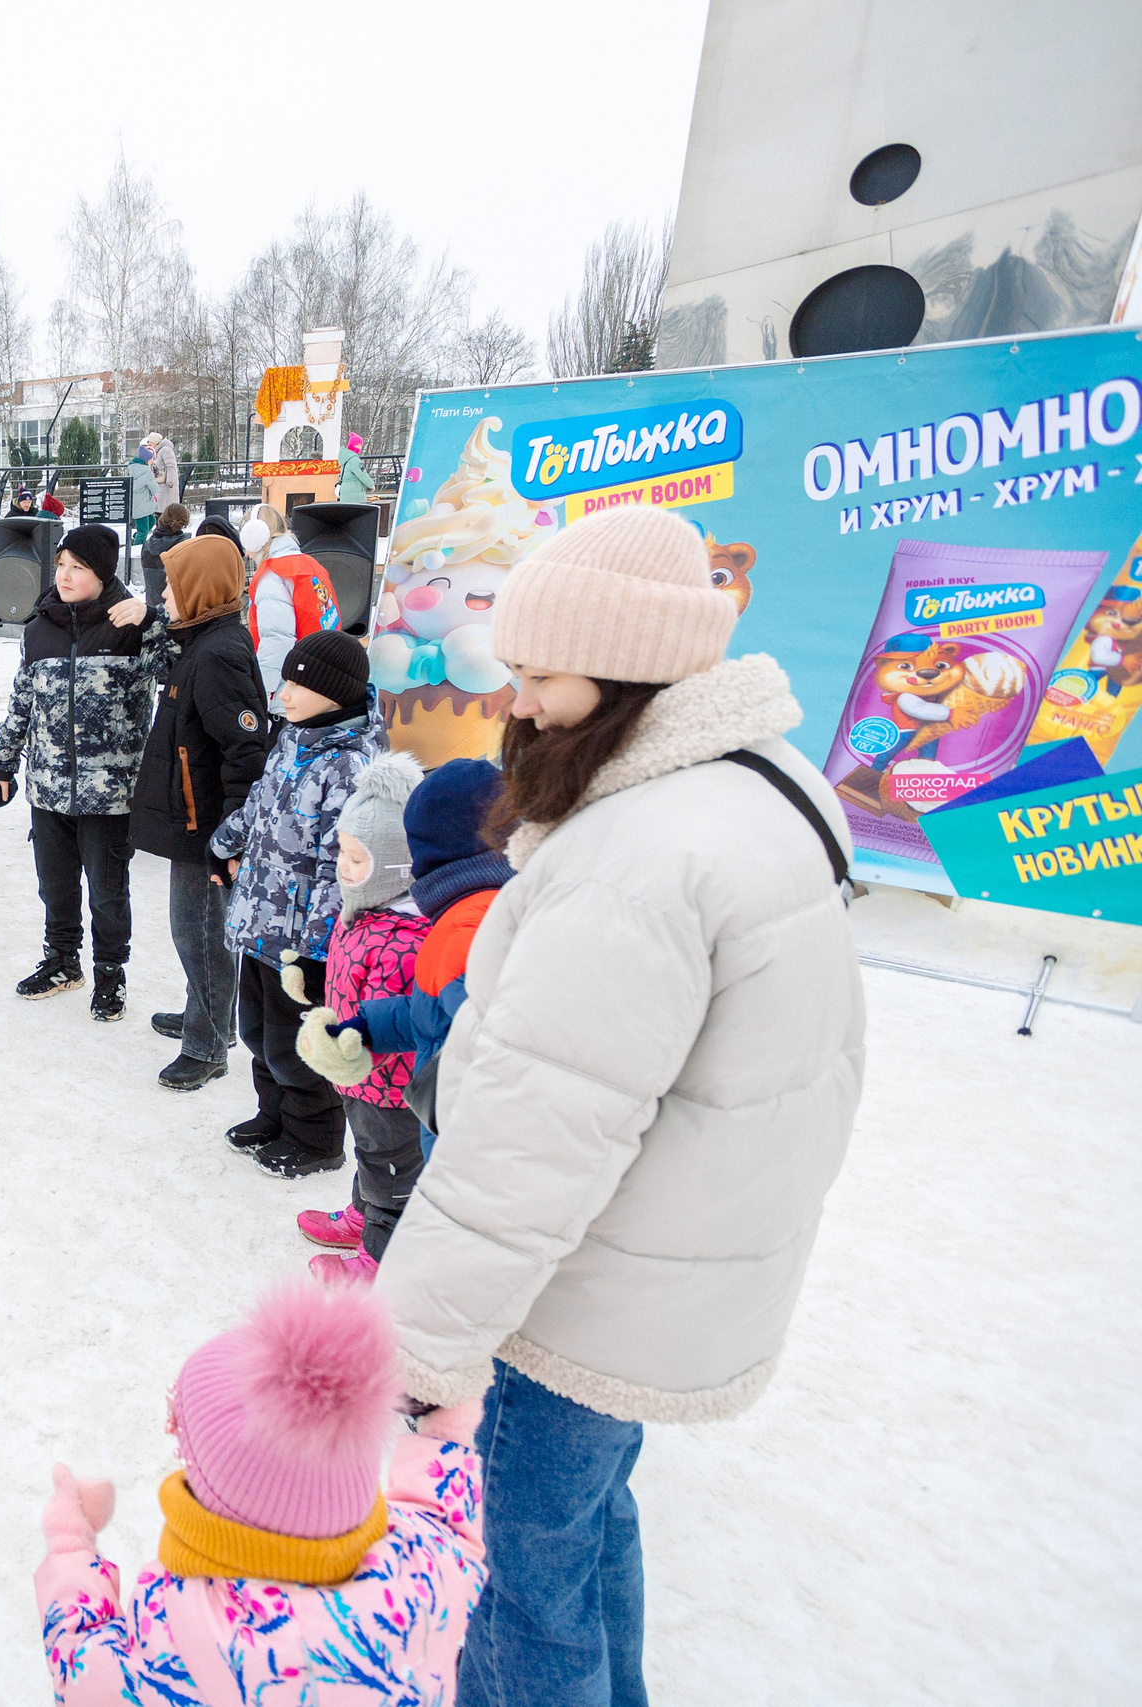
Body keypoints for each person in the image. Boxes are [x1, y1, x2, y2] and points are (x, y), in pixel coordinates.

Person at [376, 506, 862, 1704]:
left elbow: (535, 1137)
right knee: (581, 1531)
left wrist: (420, 1345)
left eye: (542, 676)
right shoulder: (760, 782)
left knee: (513, 1580)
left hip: (581, 1294)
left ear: (628, 667)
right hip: (661, 1272)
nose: (518, 703)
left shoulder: (638, 859)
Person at [35, 1279, 487, 1706]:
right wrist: (449, 1425)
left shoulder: (178, 1629)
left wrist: (71, 1543)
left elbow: (87, 1673)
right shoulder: (423, 1571)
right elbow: (446, 1515)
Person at [206, 629, 379, 1175]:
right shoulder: (292, 738)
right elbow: (260, 805)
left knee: (298, 1041)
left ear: (334, 693)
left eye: (296, 685)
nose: (282, 693)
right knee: (259, 1033)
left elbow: (340, 868)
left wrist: (317, 949)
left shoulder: (350, 764)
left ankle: (317, 1138)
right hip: (264, 918)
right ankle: (274, 1116)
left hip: (303, 938)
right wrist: (223, 844)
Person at [0, 523, 165, 1021]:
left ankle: (110, 974)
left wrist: (154, 620)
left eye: (78, 568)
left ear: (103, 574)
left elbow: (181, 667)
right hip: (48, 789)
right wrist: (2, 763)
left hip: (110, 794)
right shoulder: (39, 627)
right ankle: (62, 962)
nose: (64, 576)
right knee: (56, 885)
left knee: (107, 893)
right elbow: (22, 701)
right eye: (61, 565)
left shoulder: (130, 625)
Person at [300, 758, 511, 1168]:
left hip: (464, 1148)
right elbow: (432, 1011)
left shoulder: (467, 927)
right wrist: (370, 1027)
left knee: (392, 1188)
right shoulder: (462, 914)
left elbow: (490, 1053)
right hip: (444, 1124)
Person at [130, 535, 268, 1091]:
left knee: (201, 934)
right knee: (197, 930)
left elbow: (245, 753)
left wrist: (231, 836)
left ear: (200, 590)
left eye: (171, 586)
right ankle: (206, 1016)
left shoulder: (217, 656)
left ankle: (207, 1045)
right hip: (194, 817)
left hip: (207, 825)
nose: (162, 595)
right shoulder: (203, 643)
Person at [293, 749, 428, 1283]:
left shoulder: (407, 941)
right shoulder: (365, 914)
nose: (342, 868)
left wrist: (352, 1054)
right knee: (370, 1152)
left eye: (356, 858)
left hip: (392, 1088)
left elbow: (400, 1024)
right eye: (343, 854)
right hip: (360, 1077)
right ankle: (362, 1214)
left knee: (391, 1171)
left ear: (398, 865)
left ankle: (379, 1259)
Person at [241, 505, 340, 690]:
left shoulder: (271, 577)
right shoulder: (310, 564)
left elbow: (276, 641)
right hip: (321, 674)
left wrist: (260, 692)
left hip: (291, 685)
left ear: (255, 537)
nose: (246, 553)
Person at [139, 502, 189, 611]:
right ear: (184, 521)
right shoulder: (184, 546)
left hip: (153, 608)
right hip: (177, 609)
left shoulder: (147, 545)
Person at [143, 430, 181, 512]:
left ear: (155, 442)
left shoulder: (165, 450)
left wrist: (170, 482)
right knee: (162, 508)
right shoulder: (160, 450)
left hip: (166, 484)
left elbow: (171, 466)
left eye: (150, 443)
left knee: (164, 508)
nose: (148, 445)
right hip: (163, 483)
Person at [339, 431, 372, 504]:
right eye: (357, 445)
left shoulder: (345, 459)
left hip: (345, 491)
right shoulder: (355, 460)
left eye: (361, 445)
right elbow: (362, 474)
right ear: (352, 445)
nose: (360, 447)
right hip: (355, 493)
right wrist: (371, 485)